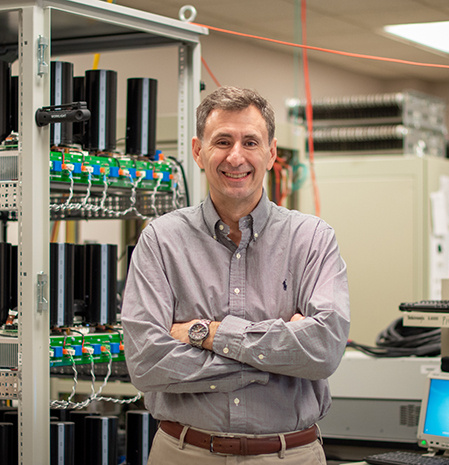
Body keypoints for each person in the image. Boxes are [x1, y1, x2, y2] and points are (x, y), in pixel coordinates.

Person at [121, 86, 350, 464]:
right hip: (184, 453)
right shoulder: (160, 240)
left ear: (271, 153)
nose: (236, 156)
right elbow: (146, 363)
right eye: (222, 141)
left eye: (250, 142)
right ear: (198, 151)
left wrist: (206, 334)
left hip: (289, 455)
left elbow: (323, 350)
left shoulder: (312, 239)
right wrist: (275, 358)